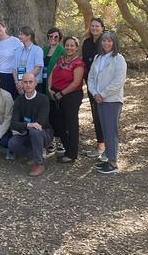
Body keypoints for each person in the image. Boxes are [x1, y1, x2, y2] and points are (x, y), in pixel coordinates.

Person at [87, 30, 127, 175]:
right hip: (99, 99)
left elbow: (118, 81)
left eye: (109, 41)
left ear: (114, 42)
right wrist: (95, 93)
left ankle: (113, 162)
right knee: (104, 130)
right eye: (104, 40)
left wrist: (103, 94)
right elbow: (91, 77)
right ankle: (107, 158)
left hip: (112, 100)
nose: (106, 43)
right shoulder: (98, 57)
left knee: (111, 131)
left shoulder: (119, 59)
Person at [48, 36, 86, 164]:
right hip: (56, 94)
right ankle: (66, 148)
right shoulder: (60, 59)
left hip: (71, 96)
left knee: (71, 124)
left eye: (72, 46)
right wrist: (49, 88)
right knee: (59, 124)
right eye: (67, 45)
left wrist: (62, 93)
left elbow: (76, 83)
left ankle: (72, 154)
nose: (69, 48)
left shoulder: (78, 63)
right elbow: (52, 73)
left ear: (76, 47)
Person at [8, 72, 53, 177]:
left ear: (35, 83)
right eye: (25, 82)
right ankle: (35, 154)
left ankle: (39, 164)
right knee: (12, 143)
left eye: (30, 82)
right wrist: (28, 125)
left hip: (44, 133)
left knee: (35, 130)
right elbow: (13, 123)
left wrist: (30, 126)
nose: (28, 84)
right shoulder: (19, 101)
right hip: (28, 133)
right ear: (22, 84)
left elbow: (41, 122)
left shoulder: (43, 99)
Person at [82, 17, 106, 159]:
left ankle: (110, 147)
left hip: (105, 85)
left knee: (106, 116)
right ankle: (101, 145)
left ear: (102, 27)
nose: (95, 28)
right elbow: (86, 63)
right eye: (92, 26)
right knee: (96, 116)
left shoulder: (107, 41)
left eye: (97, 26)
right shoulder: (87, 43)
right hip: (92, 85)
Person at [43, 26, 66, 153]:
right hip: (43, 86)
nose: (53, 38)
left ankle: (61, 141)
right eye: (51, 36)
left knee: (58, 115)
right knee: (47, 115)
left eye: (56, 36)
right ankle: (49, 140)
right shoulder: (44, 50)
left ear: (59, 38)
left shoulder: (62, 51)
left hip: (55, 87)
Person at [0, 22, 21, 98]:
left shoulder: (15, 41)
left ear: (5, 28)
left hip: (10, 75)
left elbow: (23, 57)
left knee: (10, 99)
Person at [13, 26, 44, 95]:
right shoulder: (18, 51)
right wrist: (17, 84)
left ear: (29, 36)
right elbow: (14, 69)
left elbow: (37, 69)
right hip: (20, 86)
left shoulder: (38, 50)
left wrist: (23, 82)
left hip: (34, 85)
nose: (19, 36)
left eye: (21, 34)